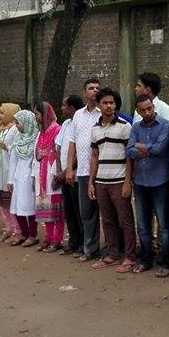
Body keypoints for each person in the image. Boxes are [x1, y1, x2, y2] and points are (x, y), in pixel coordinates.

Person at [88, 87, 136, 272]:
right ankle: (112, 254)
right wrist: (91, 182)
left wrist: (127, 182)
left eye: (112, 103)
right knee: (107, 220)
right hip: (101, 182)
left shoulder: (125, 126)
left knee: (125, 220)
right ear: (99, 105)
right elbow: (94, 156)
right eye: (105, 103)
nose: (109, 106)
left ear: (116, 105)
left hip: (119, 180)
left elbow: (130, 156)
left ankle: (130, 256)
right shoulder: (95, 129)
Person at [127, 95, 169, 276]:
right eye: (143, 110)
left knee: (164, 224)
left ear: (153, 107)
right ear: (138, 112)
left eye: (149, 109)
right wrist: (147, 148)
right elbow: (129, 150)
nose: (147, 113)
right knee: (143, 225)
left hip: (161, 181)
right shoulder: (136, 127)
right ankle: (146, 259)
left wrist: (141, 147)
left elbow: (160, 149)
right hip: (140, 181)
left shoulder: (165, 126)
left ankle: (166, 262)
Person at [66, 78, 102, 261]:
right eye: (91, 88)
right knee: (86, 212)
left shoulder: (105, 112)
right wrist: (69, 168)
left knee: (108, 212)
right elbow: (72, 142)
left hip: (103, 172)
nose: (94, 91)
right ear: (84, 92)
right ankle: (90, 249)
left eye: (97, 88)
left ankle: (116, 249)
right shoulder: (78, 115)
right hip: (82, 171)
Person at [33, 101, 64, 252]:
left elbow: (58, 152)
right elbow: (37, 155)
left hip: (52, 172)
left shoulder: (57, 130)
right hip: (41, 173)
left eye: (37, 114)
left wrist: (55, 174)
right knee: (45, 208)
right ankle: (48, 238)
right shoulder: (41, 133)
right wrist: (34, 177)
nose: (35, 117)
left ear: (45, 114)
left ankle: (57, 240)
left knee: (56, 210)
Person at [56, 95, 84, 255]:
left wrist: (68, 170)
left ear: (72, 108)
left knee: (79, 210)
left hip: (76, 174)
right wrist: (60, 170)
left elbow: (80, 151)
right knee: (69, 210)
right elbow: (58, 147)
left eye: (64, 105)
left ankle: (82, 243)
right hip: (64, 174)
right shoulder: (66, 124)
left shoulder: (80, 122)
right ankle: (73, 241)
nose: (62, 108)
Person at [8, 108, 39, 247]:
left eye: (18, 122)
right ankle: (23, 233)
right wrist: (10, 180)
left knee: (29, 207)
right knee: (17, 206)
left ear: (27, 123)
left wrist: (33, 177)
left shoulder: (35, 139)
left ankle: (32, 235)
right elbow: (13, 161)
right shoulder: (18, 139)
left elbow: (36, 161)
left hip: (29, 177)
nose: (16, 125)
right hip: (18, 177)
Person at [0, 102, 22, 243]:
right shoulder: (2, 129)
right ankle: (9, 227)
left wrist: (7, 147)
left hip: (9, 170)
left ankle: (17, 229)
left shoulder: (15, 129)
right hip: (1, 170)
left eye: (2, 113)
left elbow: (18, 149)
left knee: (11, 202)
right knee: (3, 202)